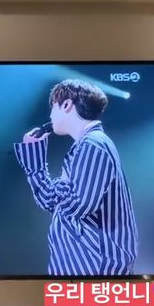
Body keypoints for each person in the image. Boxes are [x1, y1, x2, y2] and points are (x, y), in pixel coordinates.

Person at [13, 79, 138, 277]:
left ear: (66, 105)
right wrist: (34, 157)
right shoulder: (82, 147)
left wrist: (58, 190)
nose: (50, 115)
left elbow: (77, 205)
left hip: (96, 270)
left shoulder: (93, 144)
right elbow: (50, 200)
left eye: (53, 107)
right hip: (82, 269)